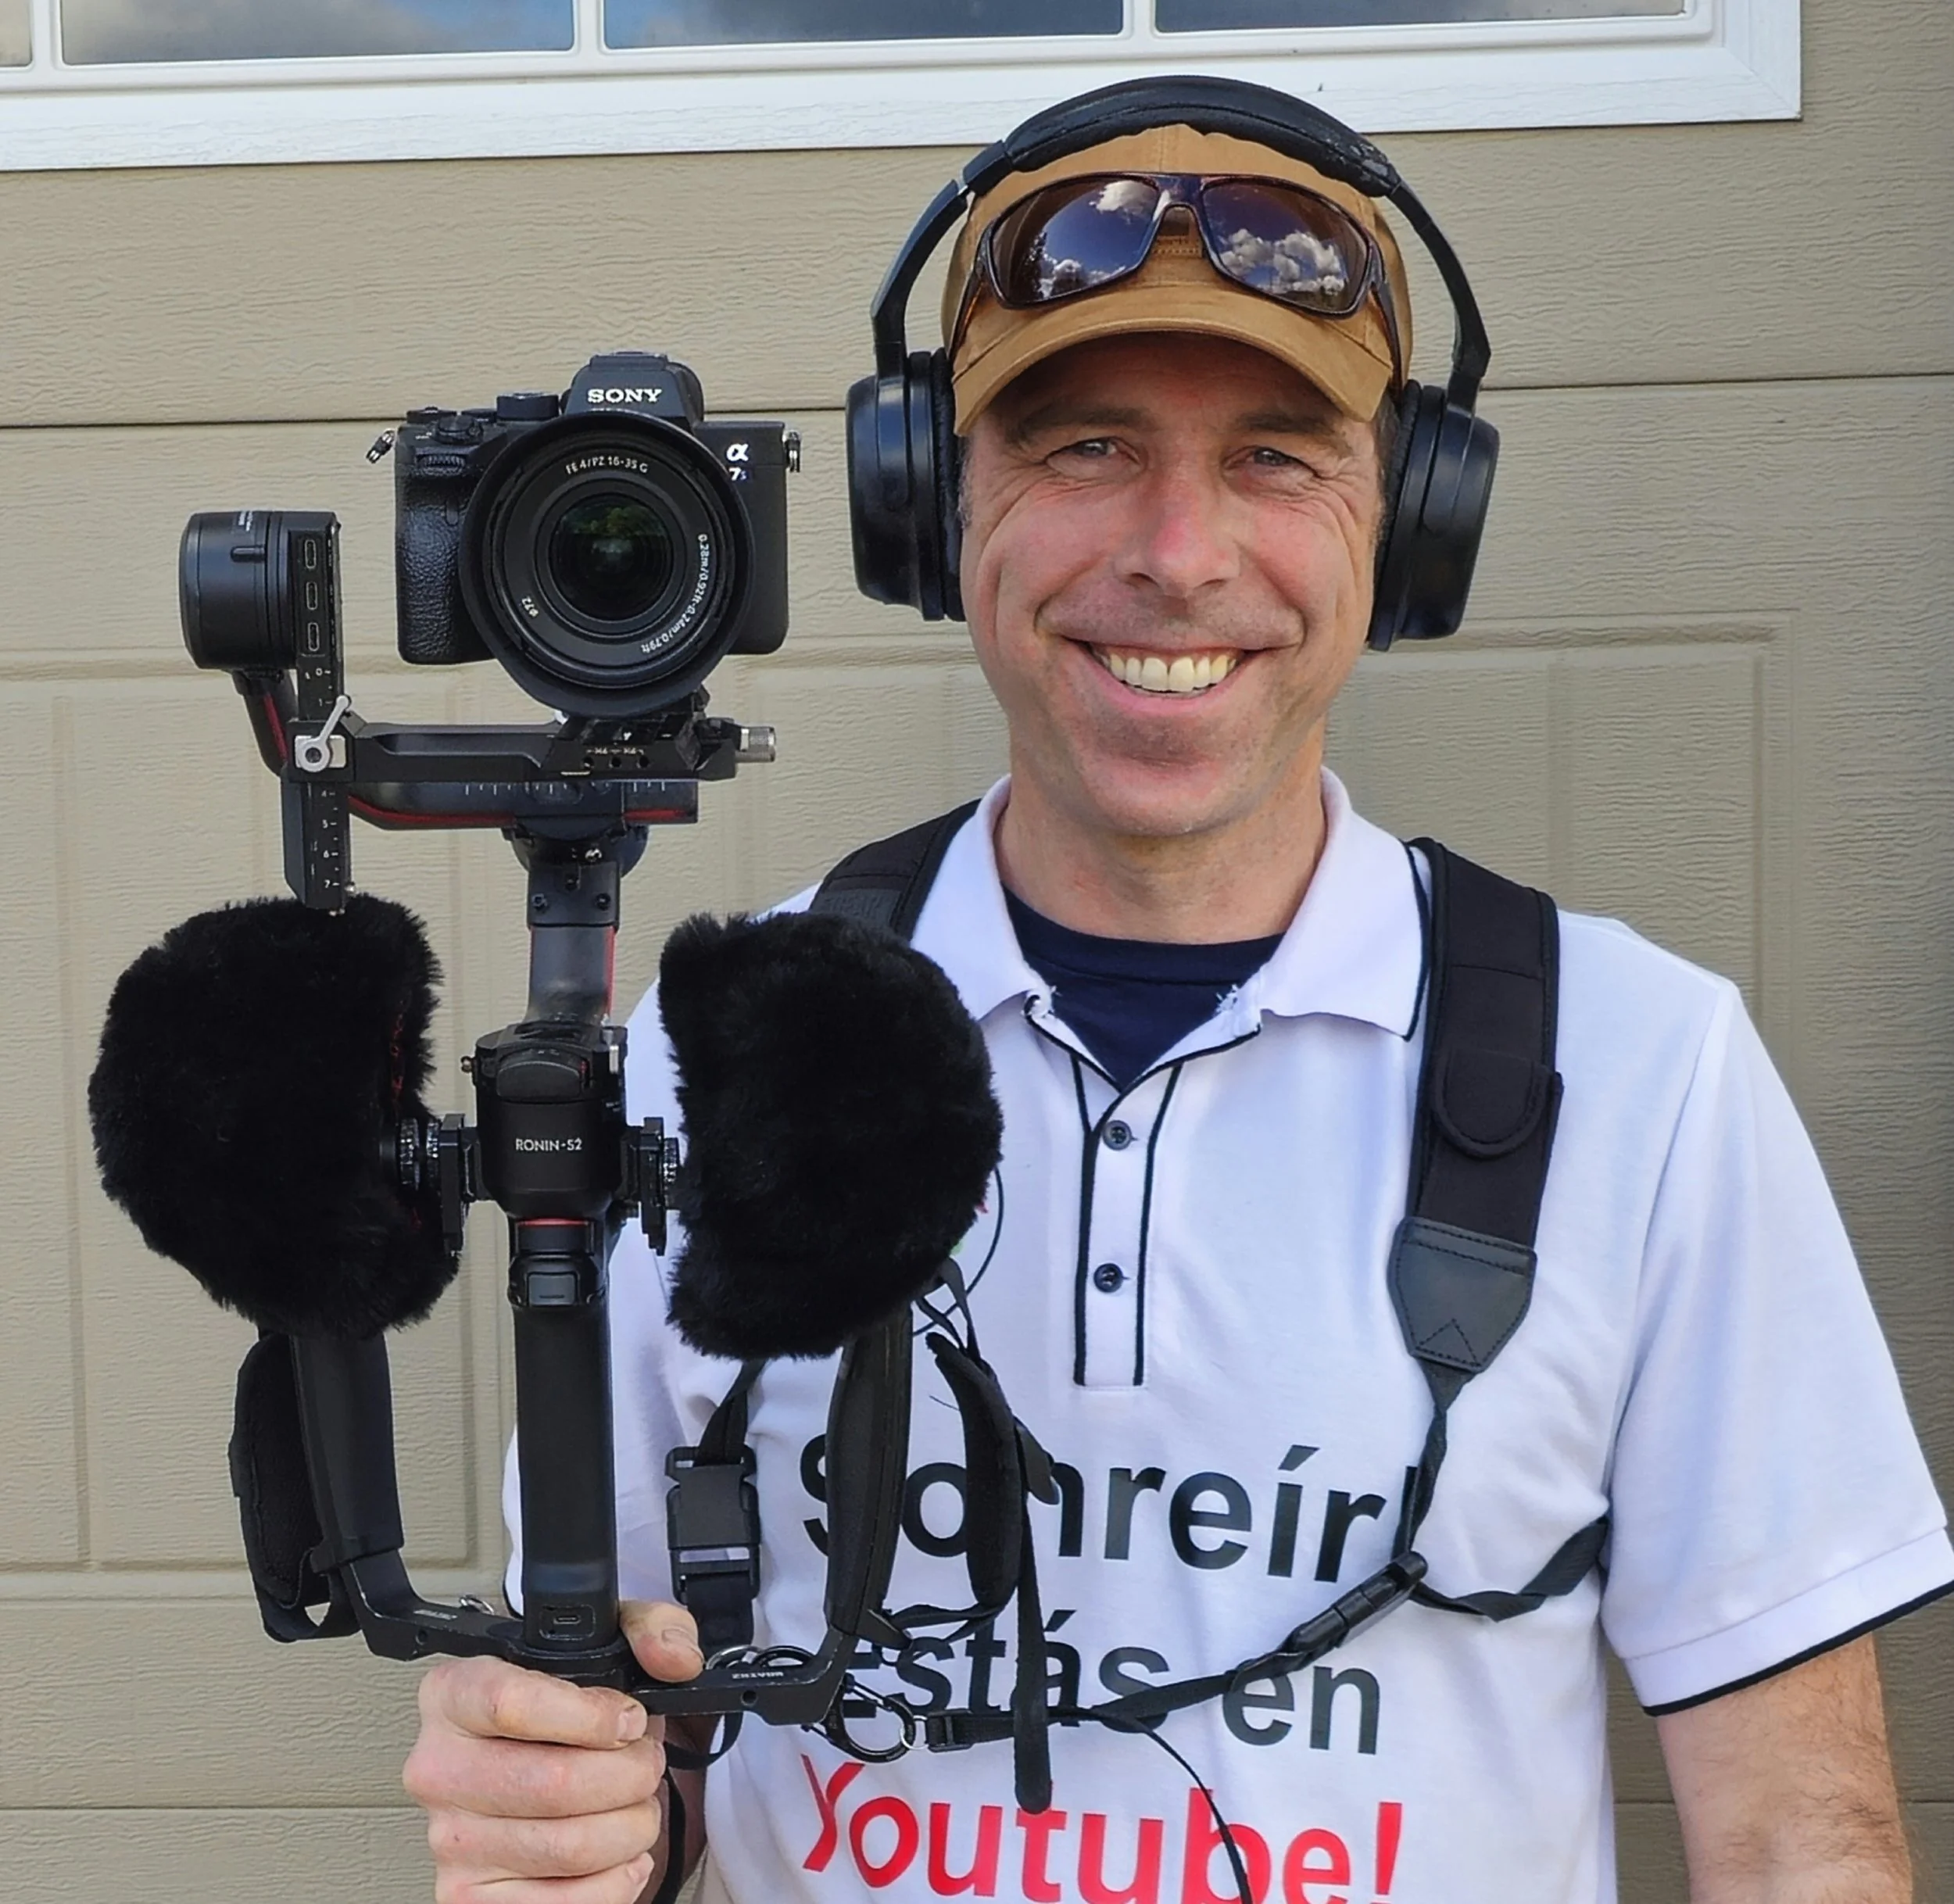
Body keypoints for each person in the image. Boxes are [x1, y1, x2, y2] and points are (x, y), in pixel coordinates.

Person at [403, 83, 1952, 1904]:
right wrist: (562, 1826)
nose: (1178, 551)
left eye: (1279, 456)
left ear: (1410, 524)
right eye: (1080, 449)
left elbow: (1796, 1832)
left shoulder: (1645, 1073)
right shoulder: (704, 1055)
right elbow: (632, 1746)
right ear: (925, 505)